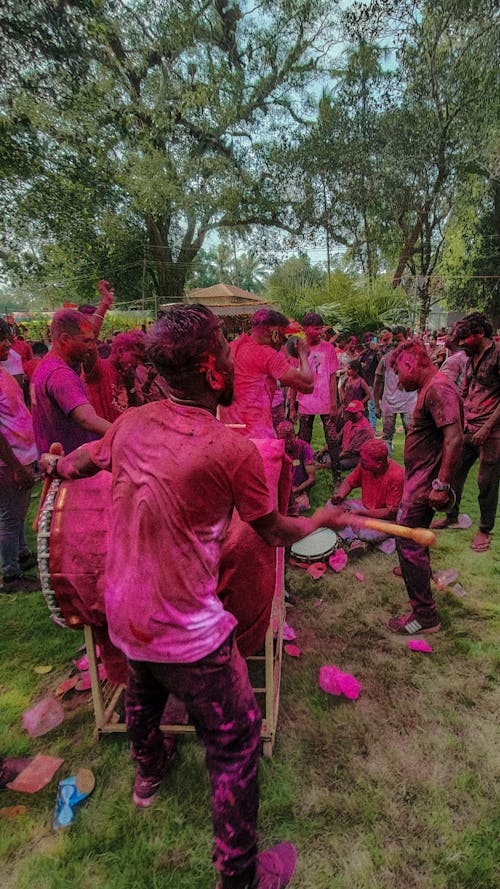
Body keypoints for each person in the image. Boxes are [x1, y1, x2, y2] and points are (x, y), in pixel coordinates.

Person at [41, 304, 345, 889]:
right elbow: (276, 534)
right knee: (235, 741)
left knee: (143, 692)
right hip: (189, 633)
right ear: (211, 372)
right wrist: (324, 517)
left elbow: (81, 461)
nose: (236, 360)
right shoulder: (232, 452)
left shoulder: (130, 423)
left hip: (126, 610)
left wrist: (55, 463)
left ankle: (148, 777)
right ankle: (240, 875)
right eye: (228, 353)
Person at [387, 340, 463, 635]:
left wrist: (441, 484)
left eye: (397, 372)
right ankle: (419, 575)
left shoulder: (437, 388)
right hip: (420, 481)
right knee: (412, 543)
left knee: (407, 541)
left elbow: (454, 439)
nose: (398, 379)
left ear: (409, 363)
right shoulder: (430, 388)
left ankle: (425, 617)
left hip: (425, 486)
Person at [431, 313, 500, 552]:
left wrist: (487, 427)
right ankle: (452, 515)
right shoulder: (471, 357)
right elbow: (466, 391)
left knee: (486, 481)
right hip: (469, 426)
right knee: (454, 472)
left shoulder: (498, 354)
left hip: (492, 430)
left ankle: (484, 529)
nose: (460, 343)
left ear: (479, 333)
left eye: (464, 338)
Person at [219, 308, 313, 438]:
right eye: (281, 336)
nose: (281, 343)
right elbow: (307, 385)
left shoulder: (233, 347)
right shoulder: (266, 354)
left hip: (230, 431)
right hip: (255, 433)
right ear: (273, 332)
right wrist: (303, 354)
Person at [31, 309, 111, 455]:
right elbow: (86, 419)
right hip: (70, 467)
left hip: (57, 464)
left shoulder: (45, 366)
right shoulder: (60, 374)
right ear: (66, 339)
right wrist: (122, 433)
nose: (91, 347)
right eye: (86, 341)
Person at [0, 320, 39, 593]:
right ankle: (11, 576)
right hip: (9, 460)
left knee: (17, 512)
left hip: (21, 454)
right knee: (10, 517)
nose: (8, 344)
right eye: (2, 339)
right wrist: (15, 466)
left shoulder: (3, 371)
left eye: (8, 338)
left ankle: (22, 556)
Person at [330, 438, 404, 552]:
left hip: (385, 519)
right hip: (364, 508)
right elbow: (349, 482)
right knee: (331, 506)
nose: (361, 462)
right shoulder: (364, 465)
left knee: (368, 534)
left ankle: (353, 533)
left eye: (365, 460)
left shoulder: (397, 475)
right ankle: (354, 541)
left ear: (379, 463)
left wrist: (359, 513)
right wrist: (340, 495)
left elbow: (390, 512)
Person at [289, 312, 340, 476]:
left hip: (325, 401)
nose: (320, 332)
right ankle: (302, 474)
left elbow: (332, 378)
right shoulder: (298, 348)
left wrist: (333, 404)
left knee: (332, 439)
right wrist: (292, 406)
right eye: (316, 329)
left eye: (321, 328)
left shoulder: (329, 348)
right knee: (304, 440)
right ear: (305, 329)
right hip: (305, 402)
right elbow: (294, 379)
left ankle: (337, 475)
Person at [82, 331, 146, 422]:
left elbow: (138, 410)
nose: (139, 363)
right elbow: (88, 342)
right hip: (102, 435)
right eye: (136, 357)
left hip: (122, 434)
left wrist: (131, 387)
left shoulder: (129, 376)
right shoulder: (99, 368)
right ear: (120, 351)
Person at [374, 326, 417, 453]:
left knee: (411, 436)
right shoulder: (387, 358)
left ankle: (412, 467)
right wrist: (376, 404)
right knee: (386, 437)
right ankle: (387, 467)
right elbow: (377, 382)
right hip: (389, 404)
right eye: (395, 341)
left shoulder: (415, 357)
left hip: (409, 403)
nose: (398, 344)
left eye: (400, 340)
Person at [276, 420, 316, 514]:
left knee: (303, 505)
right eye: (285, 443)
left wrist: (296, 490)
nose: (289, 445)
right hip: (279, 488)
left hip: (297, 489)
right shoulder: (274, 448)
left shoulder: (304, 447)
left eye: (291, 440)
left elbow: (312, 478)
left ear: (295, 435)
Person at [338, 400, 374, 470]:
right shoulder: (349, 423)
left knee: (340, 464)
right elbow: (338, 438)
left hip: (356, 456)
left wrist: (335, 459)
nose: (349, 414)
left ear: (361, 413)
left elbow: (350, 452)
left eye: (353, 413)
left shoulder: (364, 429)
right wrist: (324, 450)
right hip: (345, 452)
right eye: (349, 412)